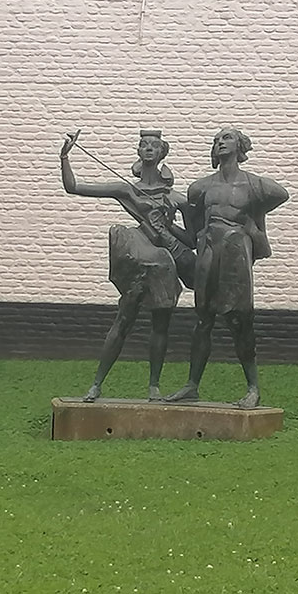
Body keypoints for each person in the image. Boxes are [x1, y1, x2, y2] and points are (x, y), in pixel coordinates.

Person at [60, 129, 195, 401]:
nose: (148, 148)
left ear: (162, 153)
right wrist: (65, 157)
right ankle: (97, 384)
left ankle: (154, 386)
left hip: (163, 262)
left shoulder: (177, 198)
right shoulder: (127, 189)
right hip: (139, 254)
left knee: (160, 325)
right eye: (143, 144)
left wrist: (168, 225)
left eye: (154, 145)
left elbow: (191, 240)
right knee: (123, 320)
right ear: (138, 152)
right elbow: (74, 187)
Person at [165, 128, 289, 408]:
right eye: (217, 140)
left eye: (227, 138)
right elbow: (191, 235)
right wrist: (168, 224)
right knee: (203, 320)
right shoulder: (200, 188)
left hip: (235, 251)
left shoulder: (255, 184)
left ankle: (253, 387)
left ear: (240, 146)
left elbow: (281, 194)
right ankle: (192, 385)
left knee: (239, 320)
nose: (220, 142)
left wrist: (252, 227)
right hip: (209, 250)